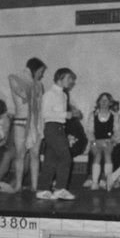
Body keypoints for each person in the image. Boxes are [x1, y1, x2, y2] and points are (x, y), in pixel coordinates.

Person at [37, 66, 78, 200]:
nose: (71, 81)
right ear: (60, 78)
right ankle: (60, 188)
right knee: (66, 158)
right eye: (69, 78)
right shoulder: (49, 94)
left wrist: (67, 116)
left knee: (50, 160)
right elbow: (44, 113)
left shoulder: (63, 95)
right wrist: (66, 114)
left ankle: (43, 190)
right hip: (52, 128)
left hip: (59, 128)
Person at [9, 57, 46, 192]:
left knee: (35, 154)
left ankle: (34, 186)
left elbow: (40, 105)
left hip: (35, 122)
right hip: (21, 121)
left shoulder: (39, 84)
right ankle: (18, 185)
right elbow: (23, 94)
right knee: (20, 154)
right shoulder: (14, 78)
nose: (41, 75)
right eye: (41, 71)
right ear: (34, 69)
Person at [86, 92, 116, 191]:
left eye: (106, 100)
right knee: (98, 155)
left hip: (108, 141)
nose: (103, 102)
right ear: (98, 102)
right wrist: (93, 141)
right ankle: (95, 183)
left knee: (107, 154)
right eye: (101, 100)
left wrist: (112, 140)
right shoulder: (93, 115)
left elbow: (117, 131)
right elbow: (89, 131)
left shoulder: (114, 115)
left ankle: (108, 182)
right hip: (96, 141)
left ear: (110, 103)